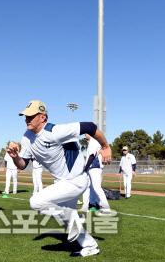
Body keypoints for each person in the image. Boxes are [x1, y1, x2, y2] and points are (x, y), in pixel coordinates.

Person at [7, 100, 112, 257]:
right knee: (67, 218)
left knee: (36, 202)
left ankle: (76, 226)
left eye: (31, 116)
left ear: (43, 117)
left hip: (76, 180)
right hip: (62, 183)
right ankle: (90, 245)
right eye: (25, 116)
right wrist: (15, 157)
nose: (26, 119)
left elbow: (90, 126)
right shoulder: (27, 137)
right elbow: (23, 165)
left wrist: (105, 147)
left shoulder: (56, 131)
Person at [81, 134, 112, 215]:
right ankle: (93, 206)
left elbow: (92, 156)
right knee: (90, 188)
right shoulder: (92, 142)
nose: (85, 135)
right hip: (92, 167)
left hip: (94, 167)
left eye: (85, 134)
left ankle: (106, 208)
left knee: (96, 187)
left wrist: (85, 168)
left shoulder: (93, 141)